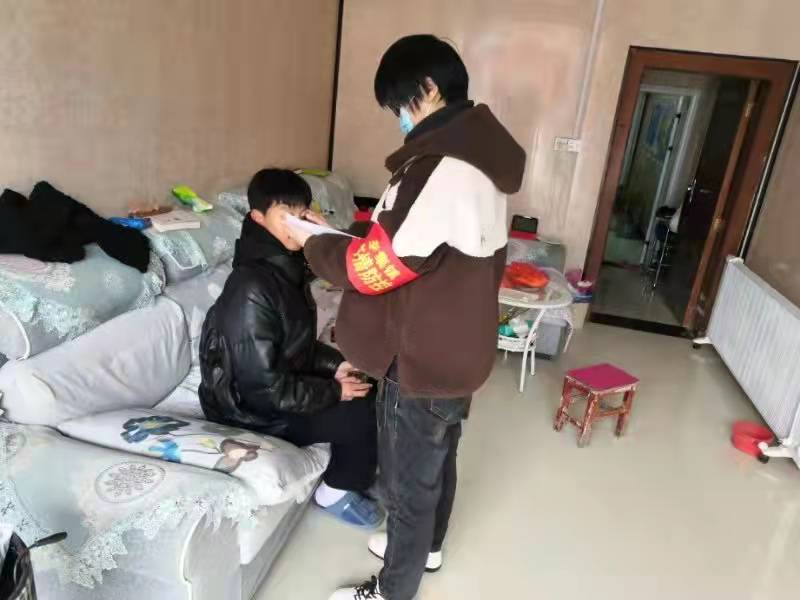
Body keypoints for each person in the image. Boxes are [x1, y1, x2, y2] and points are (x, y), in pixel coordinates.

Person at [285, 35, 526, 600]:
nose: (399, 117)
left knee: (406, 483)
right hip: (461, 348)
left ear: (428, 88)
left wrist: (313, 242)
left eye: (399, 104)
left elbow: (375, 267)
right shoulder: (484, 159)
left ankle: (393, 589)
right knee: (438, 458)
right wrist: (343, 232)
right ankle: (428, 548)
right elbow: (422, 244)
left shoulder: (439, 166)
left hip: (420, 356)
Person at [198, 168, 384, 529]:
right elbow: (262, 389)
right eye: (285, 214)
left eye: (302, 213)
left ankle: (362, 470)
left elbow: (293, 344)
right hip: (248, 408)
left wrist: (335, 366)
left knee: (366, 381)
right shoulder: (252, 286)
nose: (296, 224)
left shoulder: (287, 267)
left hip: (276, 383)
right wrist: (334, 391)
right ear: (258, 218)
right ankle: (335, 491)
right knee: (359, 411)